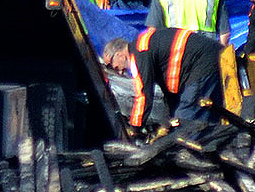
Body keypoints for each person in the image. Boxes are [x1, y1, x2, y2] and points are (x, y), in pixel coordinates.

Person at [100, 29, 233, 137]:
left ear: (119, 55)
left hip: (203, 63)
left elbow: (144, 95)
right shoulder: (144, 49)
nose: (119, 72)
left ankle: (200, 160)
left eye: (112, 66)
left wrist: (134, 128)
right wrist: (167, 121)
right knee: (193, 118)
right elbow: (169, 93)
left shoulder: (140, 53)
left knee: (187, 123)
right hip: (206, 61)